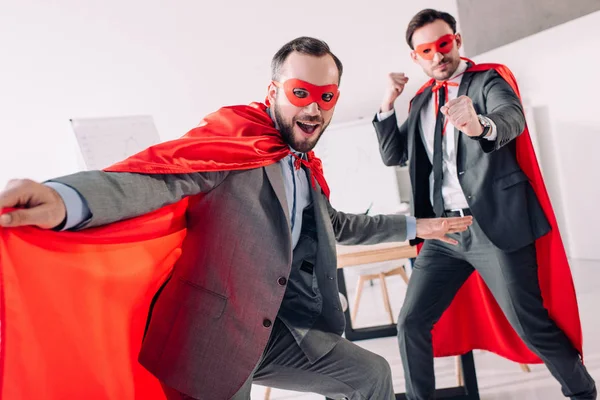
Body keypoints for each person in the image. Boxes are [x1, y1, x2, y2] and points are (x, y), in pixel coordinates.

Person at [0, 36, 473, 400]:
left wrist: (420, 226)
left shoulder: (304, 165)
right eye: (300, 92)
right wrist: (63, 199)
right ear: (274, 91)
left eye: (326, 97)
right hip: (214, 335)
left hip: (276, 330)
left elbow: (338, 225)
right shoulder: (236, 144)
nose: (313, 107)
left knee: (371, 374)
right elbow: (159, 177)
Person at [373, 9, 596, 400]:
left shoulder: (488, 79)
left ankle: (581, 391)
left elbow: (511, 117)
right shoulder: (421, 101)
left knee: (530, 323)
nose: (437, 56)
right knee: (410, 322)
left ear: (456, 40)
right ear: (415, 58)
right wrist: (388, 103)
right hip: (444, 233)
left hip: (494, 226)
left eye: (443, 45)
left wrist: (480, 126)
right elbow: (395, 155)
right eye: (427, 50)